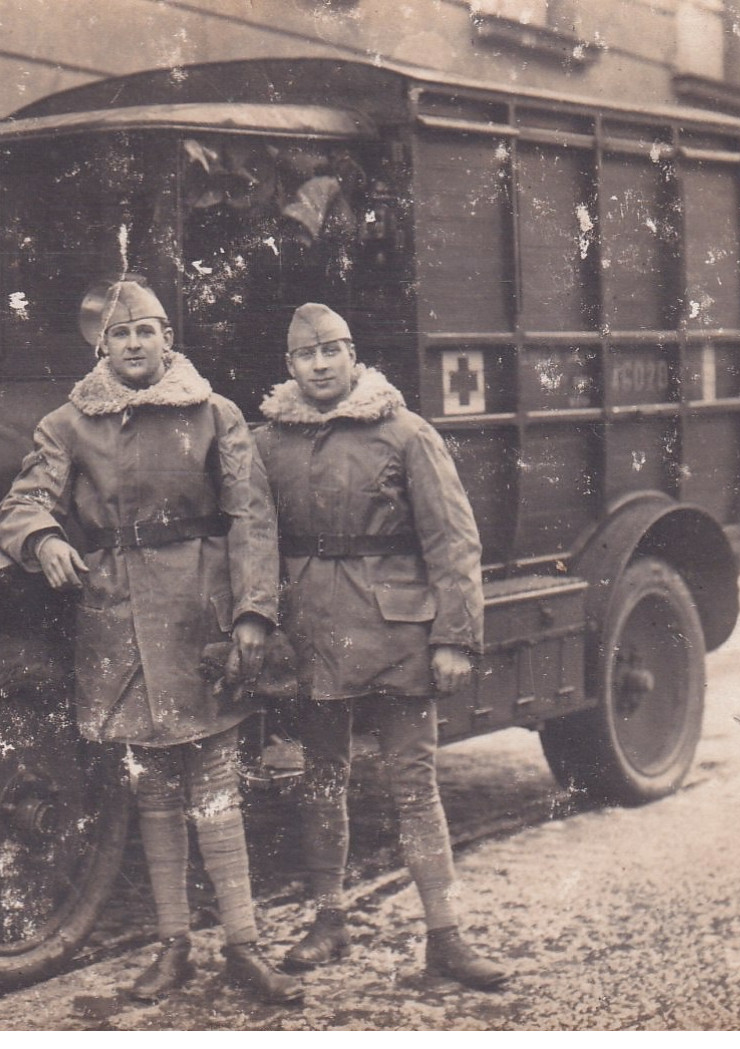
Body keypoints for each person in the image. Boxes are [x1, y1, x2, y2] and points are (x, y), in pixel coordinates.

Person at [0, 278, 302, 1005]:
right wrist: (40, 540)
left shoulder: (214, 414)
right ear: (102, 346)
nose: (134, 345)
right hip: (117, 619)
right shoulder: (68, 423)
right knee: (155, 794)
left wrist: (253, 613)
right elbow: (21, 502)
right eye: (120, 335)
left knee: (216, 786)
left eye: (147, 332)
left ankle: (243, 945)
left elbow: (251, 518)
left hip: (201, 617)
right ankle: (172, 948)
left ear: (169, 339)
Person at [252, 303, 510, 990]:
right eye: (307, 355)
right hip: (313, 633)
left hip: (398, 628)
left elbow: (452, 541)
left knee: (413, 784)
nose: (321, 363)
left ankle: (446, 936)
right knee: (322, 779)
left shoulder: (404, 433)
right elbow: (251, 540)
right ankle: (327, 917)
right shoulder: (266, 443)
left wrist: (454, 636)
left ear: (353, 354)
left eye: (333, 350)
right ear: (289, 367)